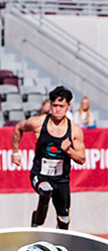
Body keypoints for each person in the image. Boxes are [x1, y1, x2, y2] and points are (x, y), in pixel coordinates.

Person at [11, 86, 86, 230]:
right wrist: (15, 152)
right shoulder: (39, 123)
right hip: (40, 174)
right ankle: (37, 222)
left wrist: (69, 151)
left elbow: (82, 159)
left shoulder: (74, 130)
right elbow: (19, 128)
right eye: (55, 105)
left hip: (61, 179)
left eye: (61, 106)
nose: (58, 109)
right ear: (50, 105)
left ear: (69, 106)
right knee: (45, 189)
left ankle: (60, 242)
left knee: (64, 219)